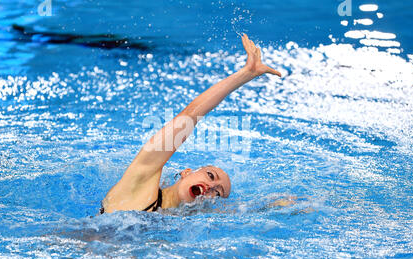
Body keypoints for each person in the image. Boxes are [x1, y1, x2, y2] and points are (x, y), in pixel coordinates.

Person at [100, 34, 281, 214]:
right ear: (186, 172)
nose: (211, 187)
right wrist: (245, 74)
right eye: (210, 176)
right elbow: (190, 115)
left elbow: (244, 211)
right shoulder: (139, 184)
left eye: (218, 193)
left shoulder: (179, 223)